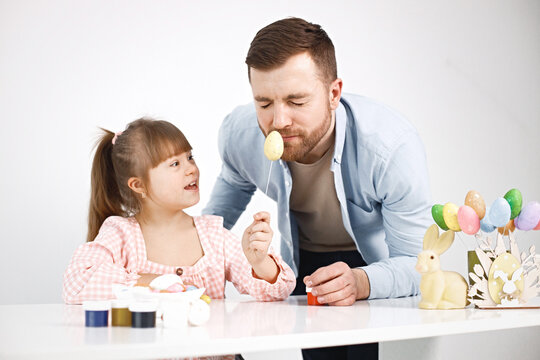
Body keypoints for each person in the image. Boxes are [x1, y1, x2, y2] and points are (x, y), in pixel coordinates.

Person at [203, 17, 432, 359]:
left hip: (370, 264)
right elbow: (209, 228)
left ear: (334, 93)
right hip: (299, 257)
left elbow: (419, 265)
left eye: (296, 101)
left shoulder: (391, 147)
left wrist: (362, 282)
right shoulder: (239, 134)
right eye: (264, 103)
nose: (278, 122)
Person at [63, 118, 295, 306]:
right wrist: (153, 283)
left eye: (189, 157)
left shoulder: (214, 236)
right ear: (138, 185)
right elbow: (77, 283)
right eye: (175, 164)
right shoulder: (121, 235)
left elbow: (280, 291)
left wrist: (260, 261)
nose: (190, 169)